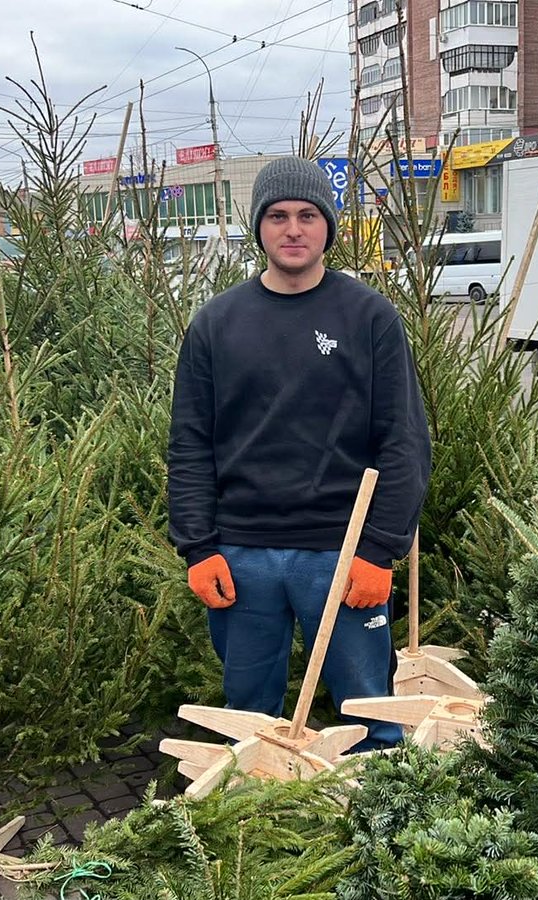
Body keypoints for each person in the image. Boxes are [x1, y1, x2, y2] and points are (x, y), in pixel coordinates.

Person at [168, 157, 432, 752]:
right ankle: (253, 828)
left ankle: (375, 824)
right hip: (241, 557)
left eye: (308, 216)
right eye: (279, 215)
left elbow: (405, 441)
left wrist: (378, 551)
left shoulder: (369, 319)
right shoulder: (217, 324)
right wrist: (198, 546)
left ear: (327, 227)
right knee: (249, 717)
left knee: (370, 714)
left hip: (340, 555)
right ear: (259, 226)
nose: (293, 229)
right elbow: (190, 444)